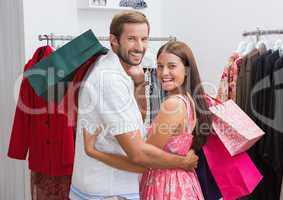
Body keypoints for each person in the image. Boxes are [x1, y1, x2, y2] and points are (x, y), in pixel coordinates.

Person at [69, 11, 199, 200]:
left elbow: (135, 121)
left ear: (186, 70)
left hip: (159, 185)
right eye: (132, 38)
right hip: (110, 191)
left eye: (144, 39)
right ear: (114, 40)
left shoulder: (121, 71)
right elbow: (139, 156)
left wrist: (138, 84)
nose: (140, 47)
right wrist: (182, 162)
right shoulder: (112, 79)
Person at [83, 41, 212, 199]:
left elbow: (141, 161)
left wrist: (94, 151)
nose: (163, 73)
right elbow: (141, 116)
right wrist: (139, 83)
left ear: (186, 70)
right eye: (159, 66)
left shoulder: (173, 105)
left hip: (167, 187)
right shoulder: (188, 99)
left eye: (171, 66)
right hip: (181, 183)